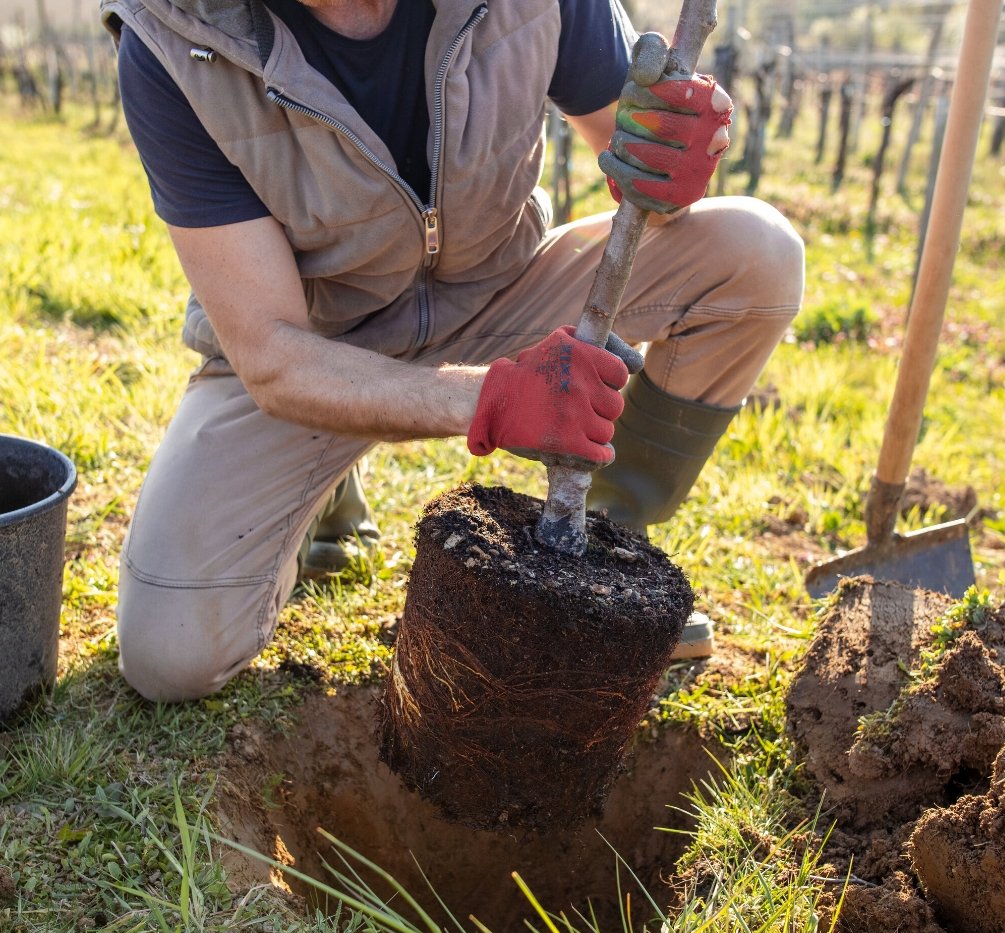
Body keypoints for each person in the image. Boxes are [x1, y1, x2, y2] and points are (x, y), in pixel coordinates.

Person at [102, 0, 804, 703]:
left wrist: (669, 157)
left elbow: (637, 159)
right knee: (172, 654)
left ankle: (599, 557)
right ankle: (322, 485)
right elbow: (273, 354)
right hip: (320, 345)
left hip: (504, 291)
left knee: (756, 255)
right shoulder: (176, 38)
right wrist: (491, 399)